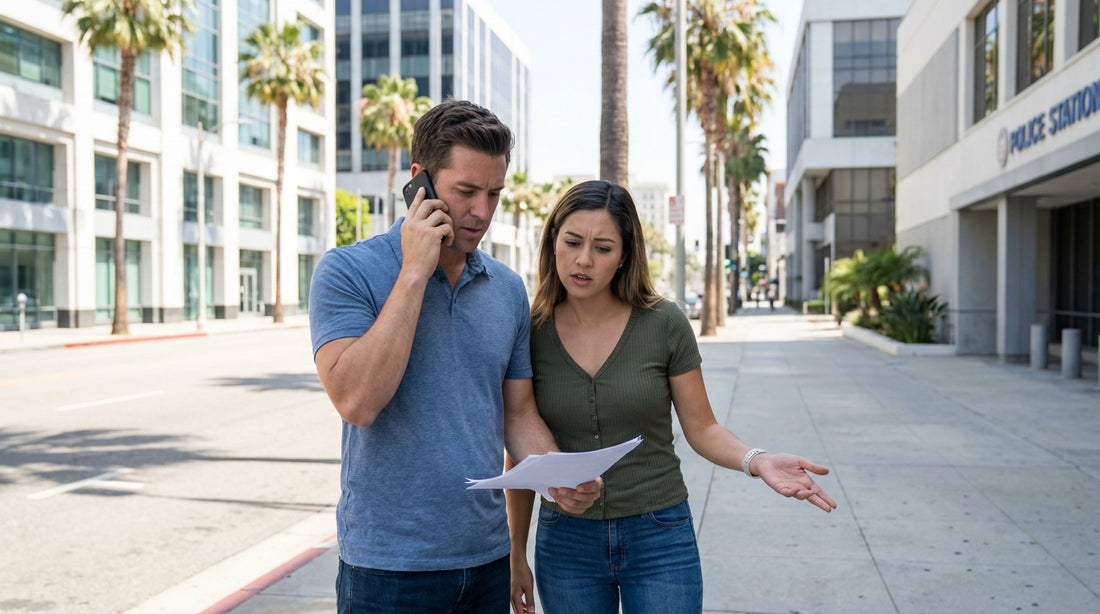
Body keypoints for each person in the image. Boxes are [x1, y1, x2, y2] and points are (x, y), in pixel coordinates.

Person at [309, 100, 601, 614]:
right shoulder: (347, 271)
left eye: (493, 194)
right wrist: (414, 272)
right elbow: (357, 401)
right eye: (466, 191)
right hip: (388, 569)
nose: (482, 212)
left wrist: (557, 474)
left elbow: (518, 414)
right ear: (420, 182)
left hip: (486, 563)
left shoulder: (508, 290)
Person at [506, 180, 837, 614]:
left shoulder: (664, 323)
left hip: (659, 533)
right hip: (566, 541)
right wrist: (515, 554)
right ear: (552, 243)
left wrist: (758, 460)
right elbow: (523, 448)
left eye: (603, 248)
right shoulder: (529, 331)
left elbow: (702, 427)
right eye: (572, 242)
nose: (583, 260)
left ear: (624, 255)